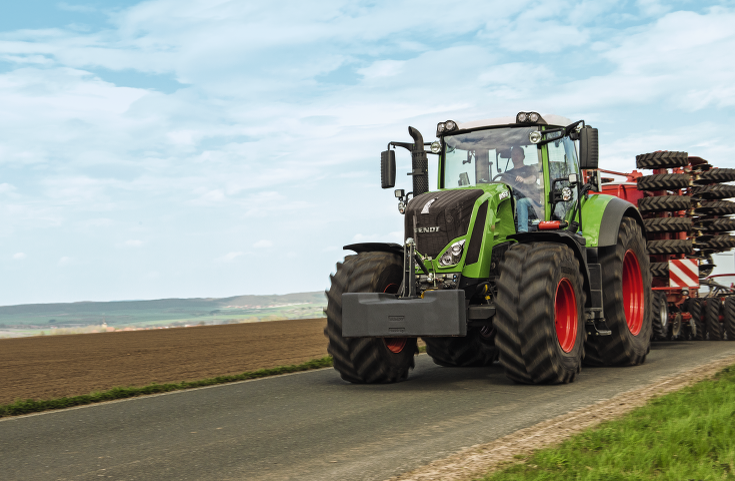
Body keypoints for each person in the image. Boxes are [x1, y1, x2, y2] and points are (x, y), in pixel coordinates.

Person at [504, 146, 540, 233]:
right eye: (513, 154)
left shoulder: (529, 169)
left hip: (531, 199)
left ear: (523, 157)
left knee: (521, 202)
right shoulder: (507, 174)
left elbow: (533, 178)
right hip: (514, 198)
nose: (515, 156)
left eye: (518, 154)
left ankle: (522, 230)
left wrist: (524, 180)